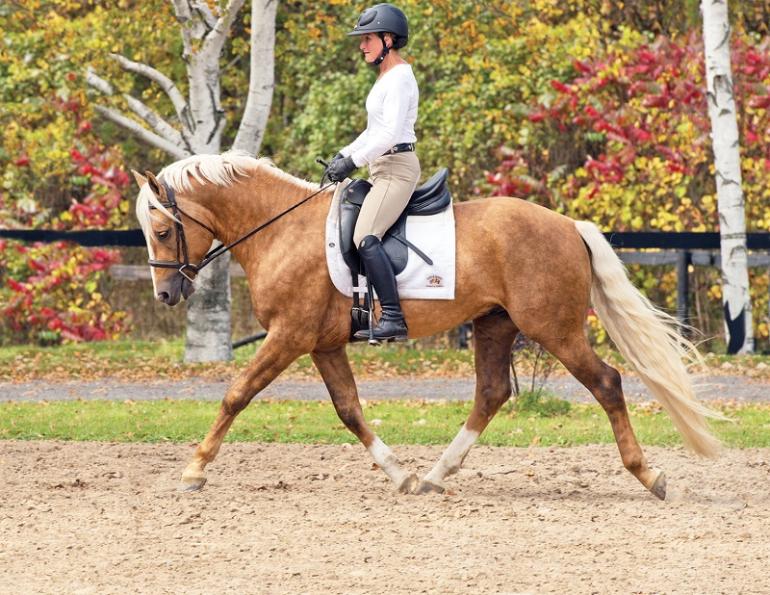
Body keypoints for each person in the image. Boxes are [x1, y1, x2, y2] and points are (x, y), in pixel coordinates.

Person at [326, 3, 421, 342]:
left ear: (388, 39)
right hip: (381, 166)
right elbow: (373, 132)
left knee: (364, 236)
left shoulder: (399, 78)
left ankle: (393, 317)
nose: (362, 46)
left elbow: (390, 135)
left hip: (397, 169)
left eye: (367, 39)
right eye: (361, 39)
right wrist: (345, 154)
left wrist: (353, 161)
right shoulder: (385, 78)